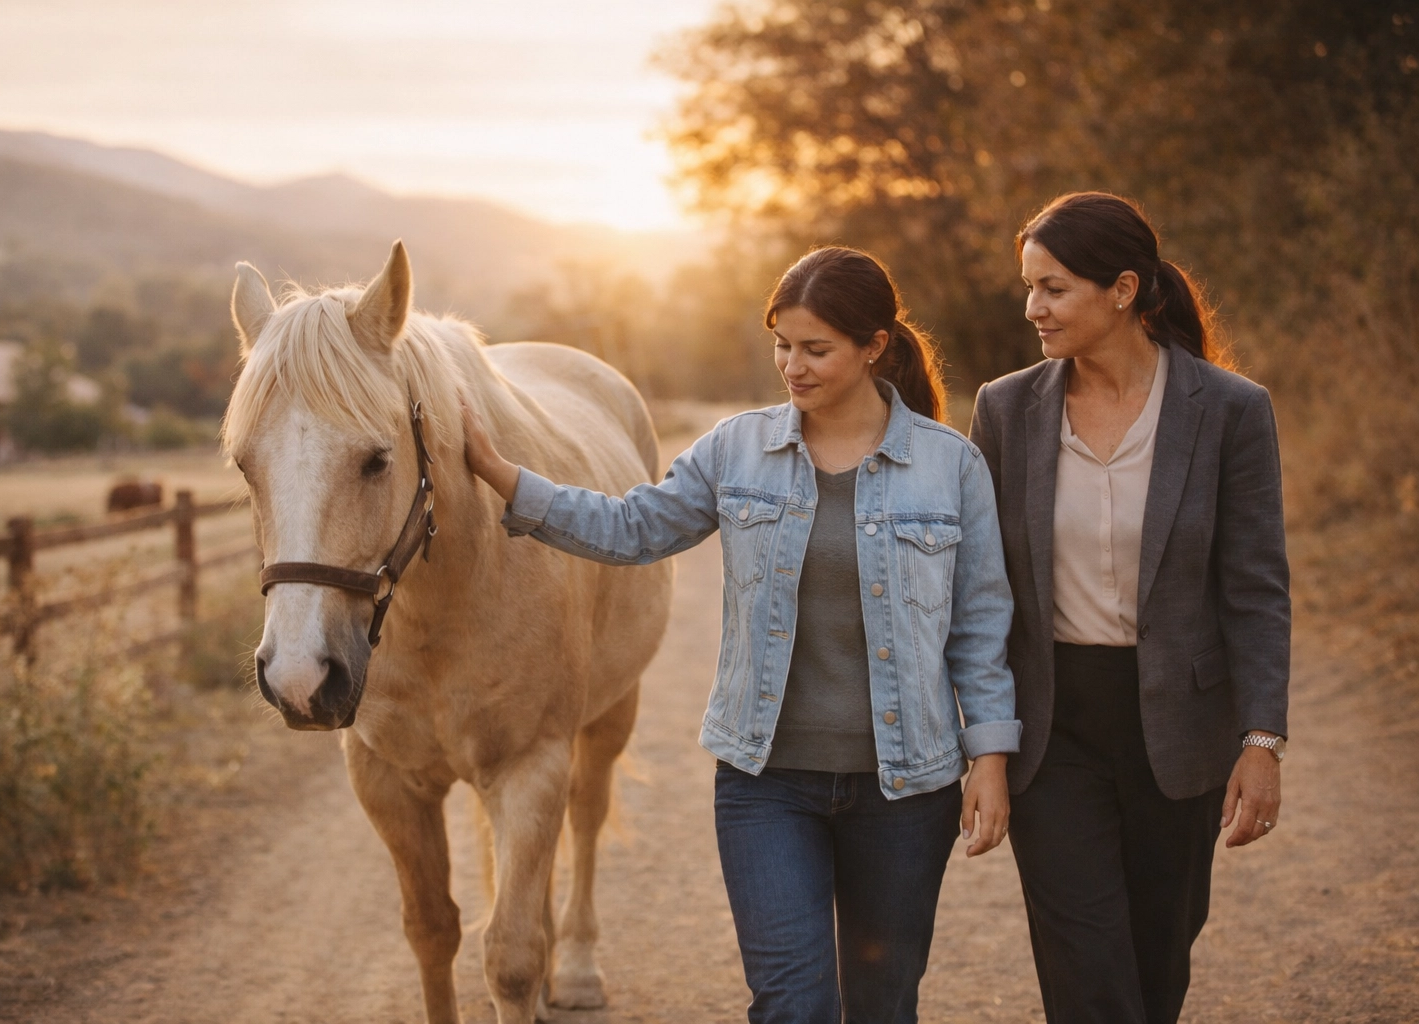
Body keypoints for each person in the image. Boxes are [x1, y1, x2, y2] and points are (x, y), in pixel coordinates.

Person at [463, 246, 1020, 1024]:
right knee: (792, 1004)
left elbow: (981, 623)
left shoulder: (950, 466)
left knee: (883, 1005)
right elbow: (632, 527)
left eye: (816, 349)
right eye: (783, 346)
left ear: (874, 347)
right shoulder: (737, 450)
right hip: (768, 786)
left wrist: (989, 756)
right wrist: (504, 474)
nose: (793, 367)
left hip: (904, 791)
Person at [969, 192, 1291, 1024]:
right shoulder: (1006, 410)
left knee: (1157, 965)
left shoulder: (1230, 411)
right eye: (1030, 287)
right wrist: (985, 744)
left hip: (1179, 736)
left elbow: (1254, 588)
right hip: (1053, 730)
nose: (1033, 308)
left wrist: (1261, 740)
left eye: (1054, 288)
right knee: (1087, 973)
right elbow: (983, 590)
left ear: (1122, 289)